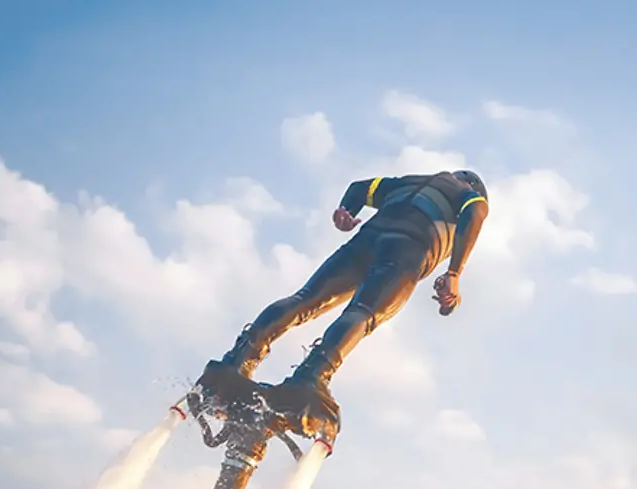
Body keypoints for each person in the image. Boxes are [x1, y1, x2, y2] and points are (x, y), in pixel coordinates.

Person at [195, 168, 490, 446]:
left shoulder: (407, 181)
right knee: (363, 313)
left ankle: (237, 360)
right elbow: (475, 212)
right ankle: (311, 377)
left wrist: (348, 211)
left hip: (367, 240)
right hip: (409, 249)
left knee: (305, 299)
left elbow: (360, 188)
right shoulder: (467, 194)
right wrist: (454, 273)